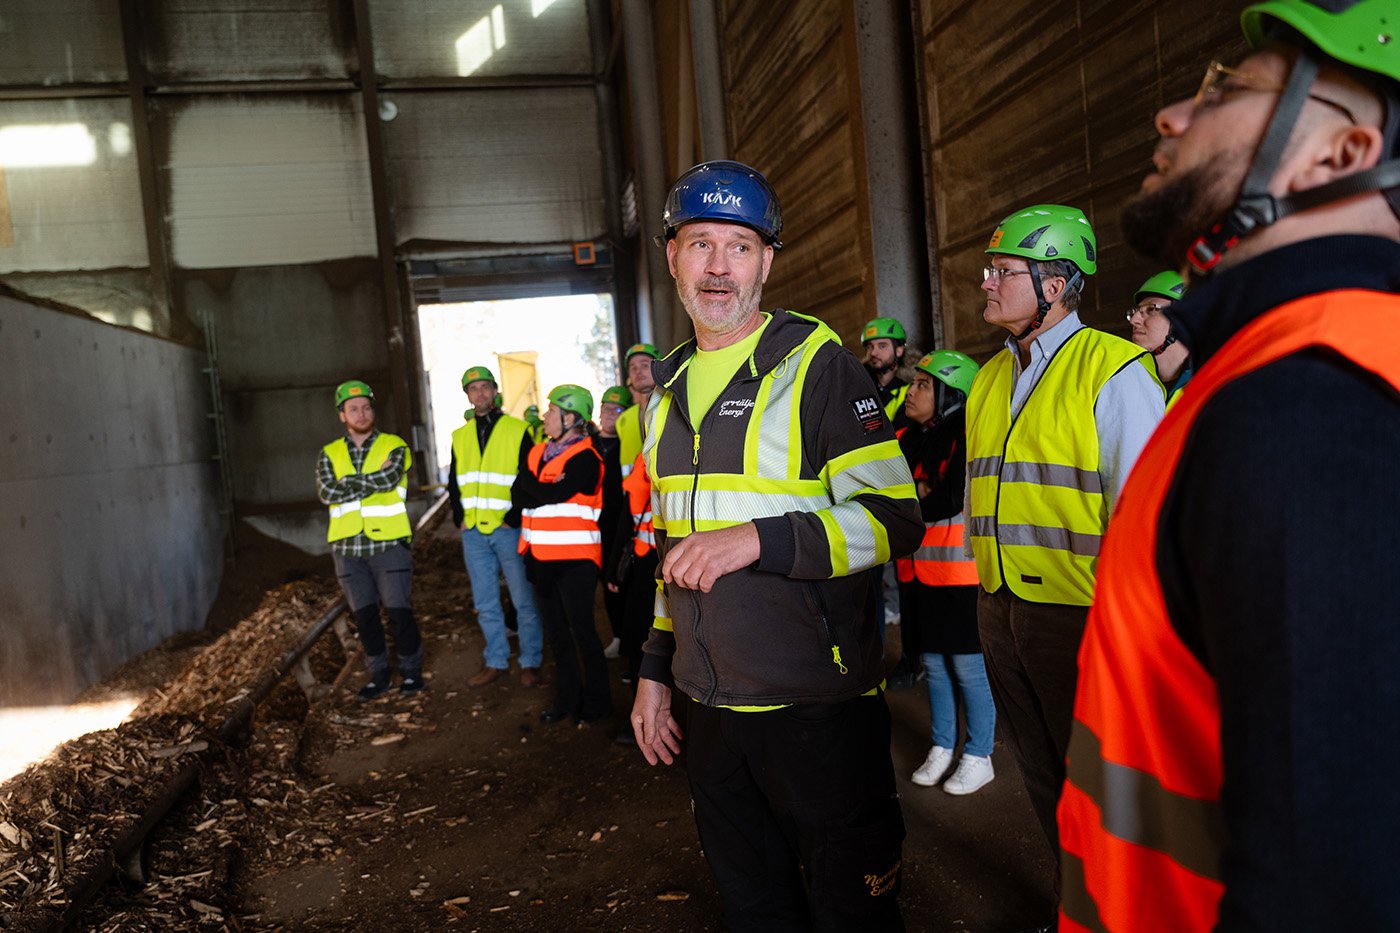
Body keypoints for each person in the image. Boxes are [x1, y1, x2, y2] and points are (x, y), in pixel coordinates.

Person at [1059, 2, 1400, 929]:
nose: (1173, 115)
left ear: (1342, 153)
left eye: (1226, 92)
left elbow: (1330, 894)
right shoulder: (1270, 370)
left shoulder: (1310, 408)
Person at [630, 159, 923, 931]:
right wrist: (656, 670)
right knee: (755, 905)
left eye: (740, 246)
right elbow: (671, 555)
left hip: (816, 708)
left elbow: (894, 518)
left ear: (768, 261)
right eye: (700, 244)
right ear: (672, 258)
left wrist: (755, 540)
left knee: (851, 911)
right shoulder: (663, 396)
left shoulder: (817, 369)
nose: (719, 266)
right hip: (709, 706)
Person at [965, 203, 1164, 914]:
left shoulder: (1113, 369)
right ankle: (1074, 900)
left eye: (1003, 270)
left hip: (1079, 615)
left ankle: (1123, 909)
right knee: (1042, 773)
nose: (987, 282)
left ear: (1055, 281)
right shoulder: (988, 379)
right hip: (999, 607)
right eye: (989, 269)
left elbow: (1147, 516)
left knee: (1099, 778)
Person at [900, 350, 996, 796]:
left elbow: (947, 500)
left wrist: (921, 495)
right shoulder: (916, 436)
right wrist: (920, 493)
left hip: (961, 576)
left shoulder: (965, 432)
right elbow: (903, 494)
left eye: (923, 385)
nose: (911, 392)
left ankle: (979, 754)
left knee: (969, 669)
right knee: (935, 667)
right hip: (926, 572)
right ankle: (943, 747)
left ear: (950, 393)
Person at [315, 380, 425, 701]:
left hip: (388, 545)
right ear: (342, 415)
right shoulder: (329, 454)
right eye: (353, 409)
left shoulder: (394, 445)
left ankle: (411, 673)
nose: (361, 414)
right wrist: (370, 481)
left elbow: (390, 478)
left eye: (366, 407)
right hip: (348, 550)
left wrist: (348, 481)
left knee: (398, 612)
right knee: (365, 617)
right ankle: (379, 674)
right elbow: (327, 492)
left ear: (373, 410)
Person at [514, 385, 612, 726]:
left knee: (582, 631)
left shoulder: (587, 457)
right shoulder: (536, 451)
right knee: (557, 634)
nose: (545, 416)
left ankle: (598, 702)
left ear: (570, 417)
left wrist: (532, 486)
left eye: (551, 411)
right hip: (539, 558)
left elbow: (551, 492)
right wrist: (538, 489)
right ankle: (567, 699)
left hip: (576, 561)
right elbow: (520, 497)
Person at [448, 366, 544, 688]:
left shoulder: (517, 430)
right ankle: (496, 660)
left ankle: (530, 661)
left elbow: (527, 479)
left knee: (523, 600)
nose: (480, 394)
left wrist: (514, 517)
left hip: (507, 529)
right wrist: (458, 516)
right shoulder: (459, 437)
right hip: (474, 532)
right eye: (473, 389)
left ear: (495, 391)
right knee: (485, 601)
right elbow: (454, 482)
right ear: (467, 395)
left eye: (485, 387)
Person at [595, 385, 631, 659]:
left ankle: (624, 638)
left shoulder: (626, 445)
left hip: (619, 525)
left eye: (617, 410)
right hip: (590, 527)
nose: (611, 414)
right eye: (607, 408)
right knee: (602, 582)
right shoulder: (588, 444)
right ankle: (615, 636)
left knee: (618, 580)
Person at [1126, 270, 1192, 402]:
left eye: (1151, 309)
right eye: (1136, 311)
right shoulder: (1130, 381)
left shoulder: (1209, 384)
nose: (1134, 320)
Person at [615, 343, 658, 476]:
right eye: (632, 368)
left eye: (644, 365)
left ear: (659, 368)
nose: (637, 371)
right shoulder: (623, 419)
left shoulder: (675, 406)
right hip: (634, 494)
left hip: (666, 493)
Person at [862, 316, 913, 427]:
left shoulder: (912, 389)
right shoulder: (858, 384)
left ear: (899, 351)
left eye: (882, 346)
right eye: (869, 347)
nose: (873, 353)